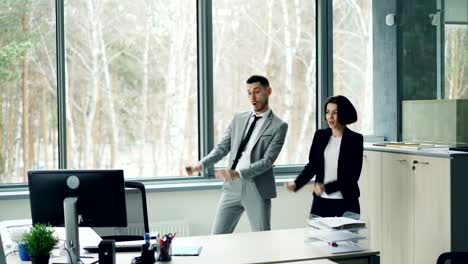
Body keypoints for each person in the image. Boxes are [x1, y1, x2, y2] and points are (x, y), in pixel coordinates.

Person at [186, 75, 288, 234]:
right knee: (217, 237)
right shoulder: (238, 118)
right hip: (232, 187)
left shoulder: (279, 126)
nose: (252, 97)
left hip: (257, 188)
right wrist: (200, 164)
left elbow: (268, 161)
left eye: (257, 92)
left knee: (263, 238)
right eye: (249, 93)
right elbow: (222, 148)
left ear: (268, 91)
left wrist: (238, 173)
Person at [285, 95, 363, 217]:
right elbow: (312, 166)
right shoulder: (320, 136)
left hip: (346, 203)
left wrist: (326, 187)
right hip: (321, 203)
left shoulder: (355, 139)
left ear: (344, 114)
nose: (330, 117)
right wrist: (297, 183)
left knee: (347, 236)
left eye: (335, 113)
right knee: (315, 236)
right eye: (327, 112)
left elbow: (352, 176)